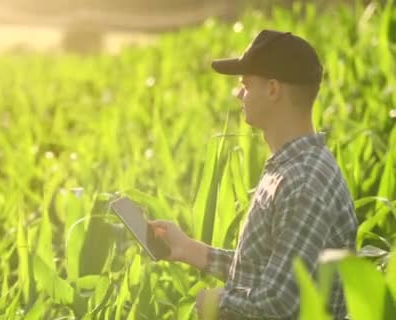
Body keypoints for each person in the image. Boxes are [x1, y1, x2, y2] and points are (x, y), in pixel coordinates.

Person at [149, 29, 358, 320]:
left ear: (273, 90)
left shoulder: (303, 182)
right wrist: (187, 248)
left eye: (246, 84)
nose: (238, 93)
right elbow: (268, 272)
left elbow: (277, 305)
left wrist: (214, 303)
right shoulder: (293, 167)